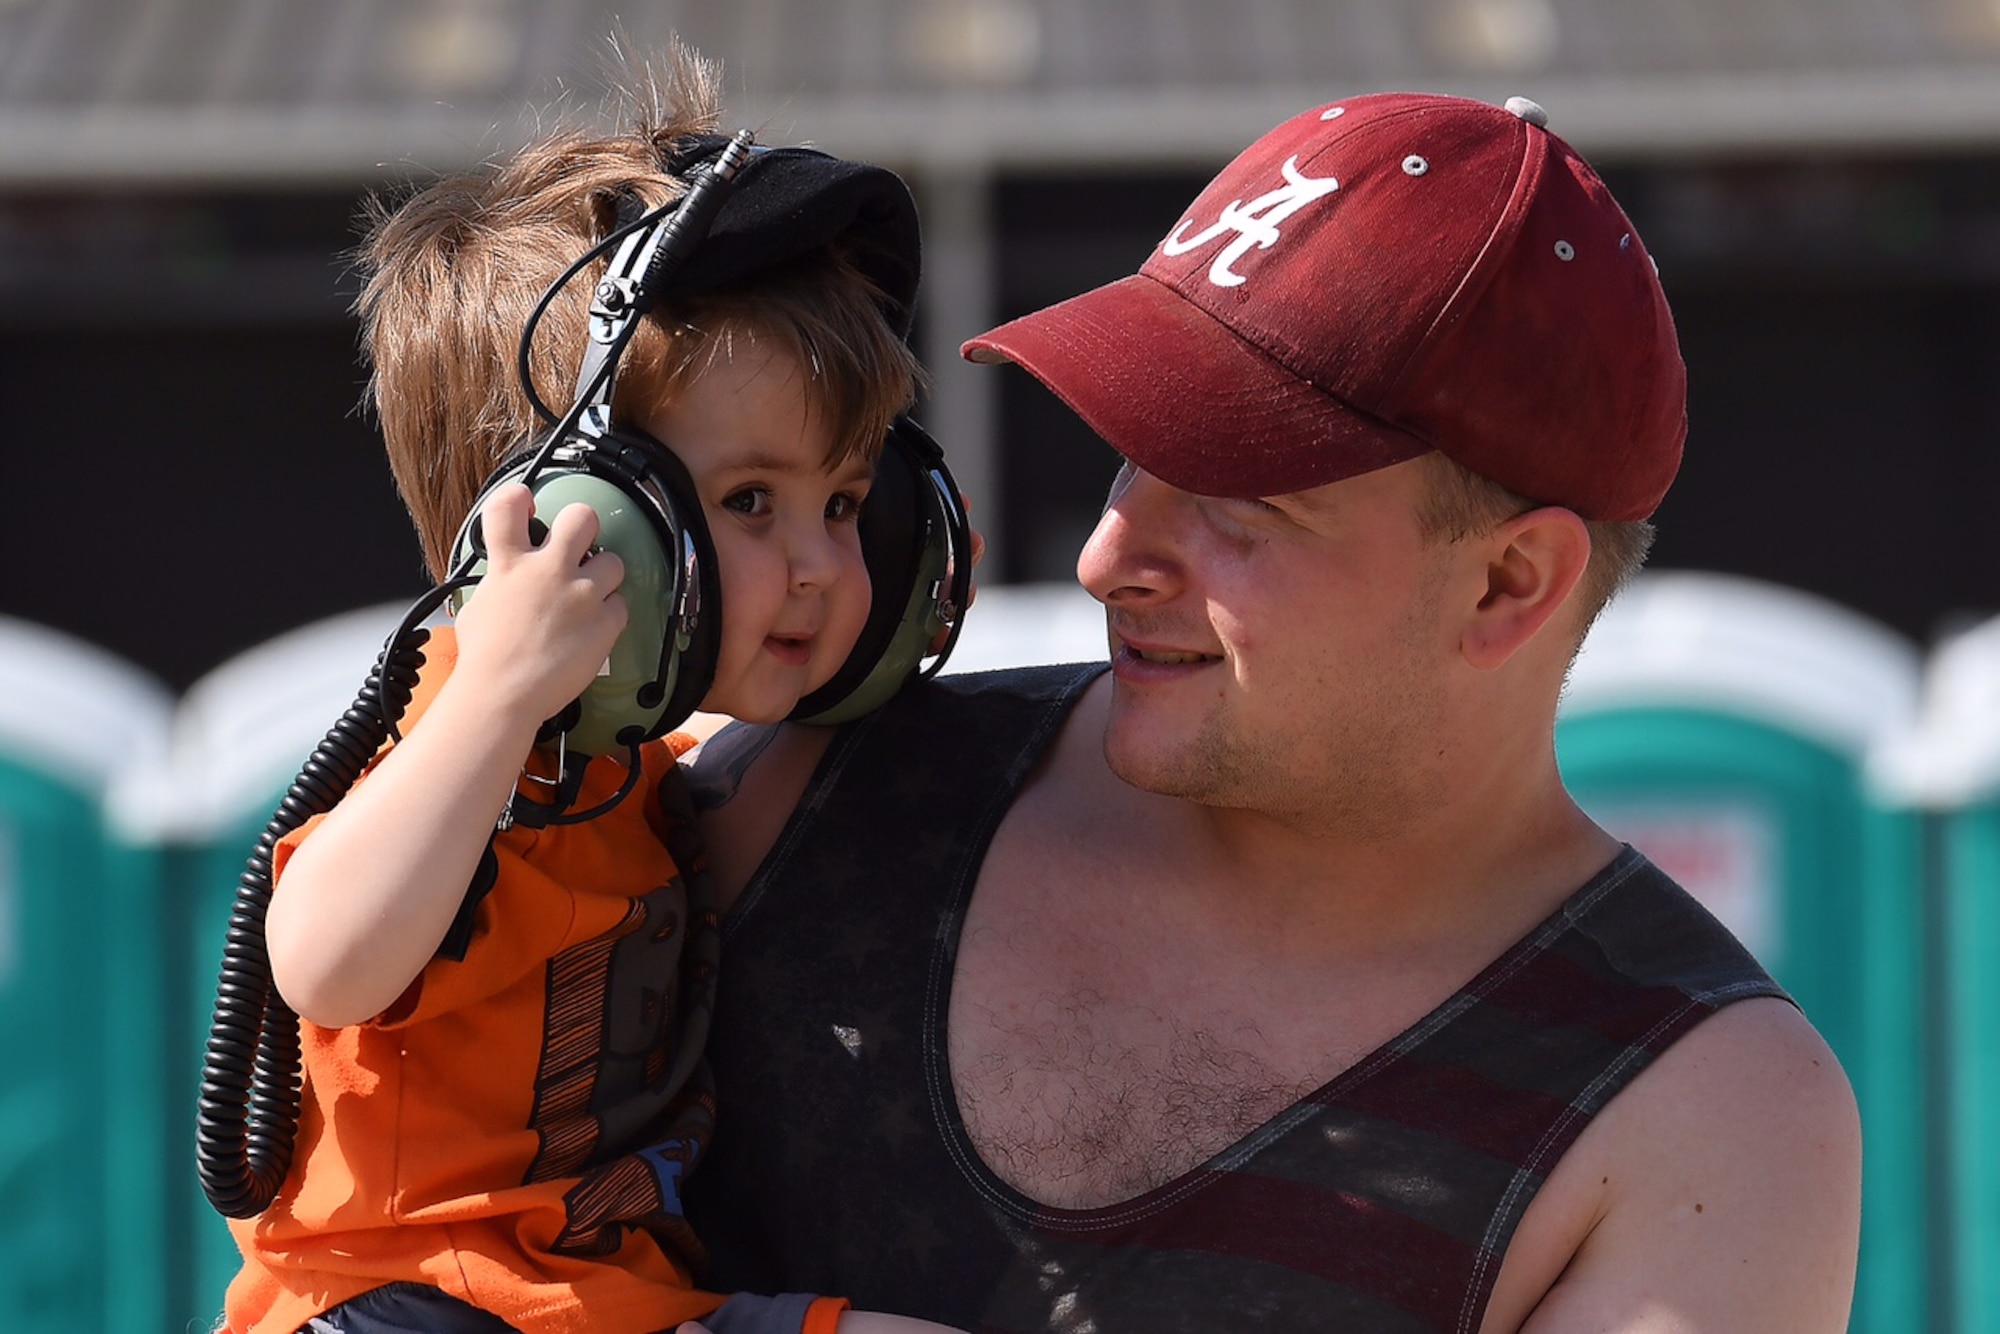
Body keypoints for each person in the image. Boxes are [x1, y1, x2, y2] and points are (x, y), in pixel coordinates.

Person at [679, 93, 1863, 1330]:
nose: (1105, 556)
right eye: (1133, 456)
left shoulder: (1704, 1113)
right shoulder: (801, 797)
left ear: (1508, 584)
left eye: (1238, 505)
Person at [221, 45, 960, 1334]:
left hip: (597, 1303)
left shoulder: (642, 769)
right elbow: (323, 959)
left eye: (845, 504)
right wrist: (495, 698)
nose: (825, 568)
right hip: (404, 1307)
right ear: (583, 522)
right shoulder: (462, 743)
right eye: (748, 502)